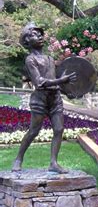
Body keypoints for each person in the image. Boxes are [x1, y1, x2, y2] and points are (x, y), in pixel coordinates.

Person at [12, 23, 77, 173]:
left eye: (40, 34)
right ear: (27, 41)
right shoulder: (30, 60)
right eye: (35, 34)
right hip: (40, 99)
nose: (40, 36)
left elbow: (53, 79)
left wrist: (66, 92)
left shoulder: (49, 58)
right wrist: (62, 81)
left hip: (55, 98)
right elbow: (39, 82)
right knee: (34, 131)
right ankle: (19, 158)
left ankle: (53, 163)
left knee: (59, 129)